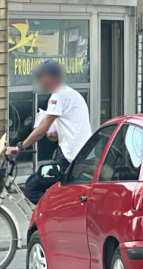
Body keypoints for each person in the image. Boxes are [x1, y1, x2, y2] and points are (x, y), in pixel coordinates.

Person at [6, 59, 91, 204]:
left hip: (70, 158)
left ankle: (55, 218)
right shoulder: (68, 93)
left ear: (50, 77)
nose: (39, 81)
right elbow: (63, 129)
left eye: (40, 77)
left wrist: (19, 147)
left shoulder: (59, 94)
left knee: (32, 187)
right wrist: (55, 135)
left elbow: (42, 129)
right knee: (52, 188)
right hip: (73, 154)